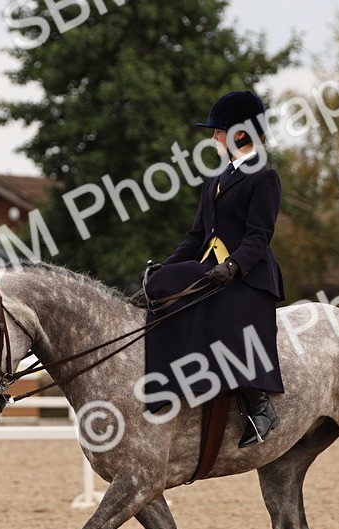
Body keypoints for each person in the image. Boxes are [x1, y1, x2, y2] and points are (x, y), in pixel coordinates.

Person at [135, 90, 285, 447]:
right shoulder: (214, 180)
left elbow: (259, 234)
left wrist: (233, 265)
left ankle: (259, 406)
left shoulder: (264, 177)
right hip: (211, 268)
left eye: (218, 131)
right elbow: (196, 236)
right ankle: (165, 387)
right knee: (163, 285)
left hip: (248, 275)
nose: (213, 137)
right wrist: (162, 270)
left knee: (224, 316)